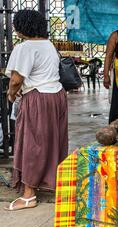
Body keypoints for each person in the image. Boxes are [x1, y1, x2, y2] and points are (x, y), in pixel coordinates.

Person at [4, 9, 68, 211]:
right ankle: (51, 181)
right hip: (57, 95)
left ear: (23, 26)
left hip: (37, 97)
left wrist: (11, 95)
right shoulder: (49, 45)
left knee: (32, 144)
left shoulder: (24, 48)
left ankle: (29, 194)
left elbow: (16, 80)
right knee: (52, 141)